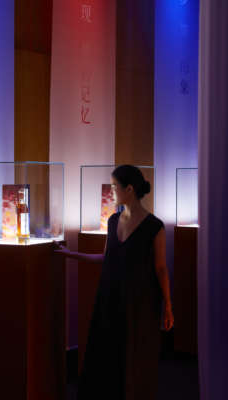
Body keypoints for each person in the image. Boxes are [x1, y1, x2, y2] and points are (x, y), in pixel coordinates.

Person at [55, 165, 174, 400]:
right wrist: (70, 254)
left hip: (139, 303)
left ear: (129, 189)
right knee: (108, 355)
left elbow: (160, 268)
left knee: (134, 356)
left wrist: (168, 306)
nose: (110, 192)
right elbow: (106, 257)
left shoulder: (154, 226)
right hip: (109, 298)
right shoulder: (112, 221)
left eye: (113, 187)